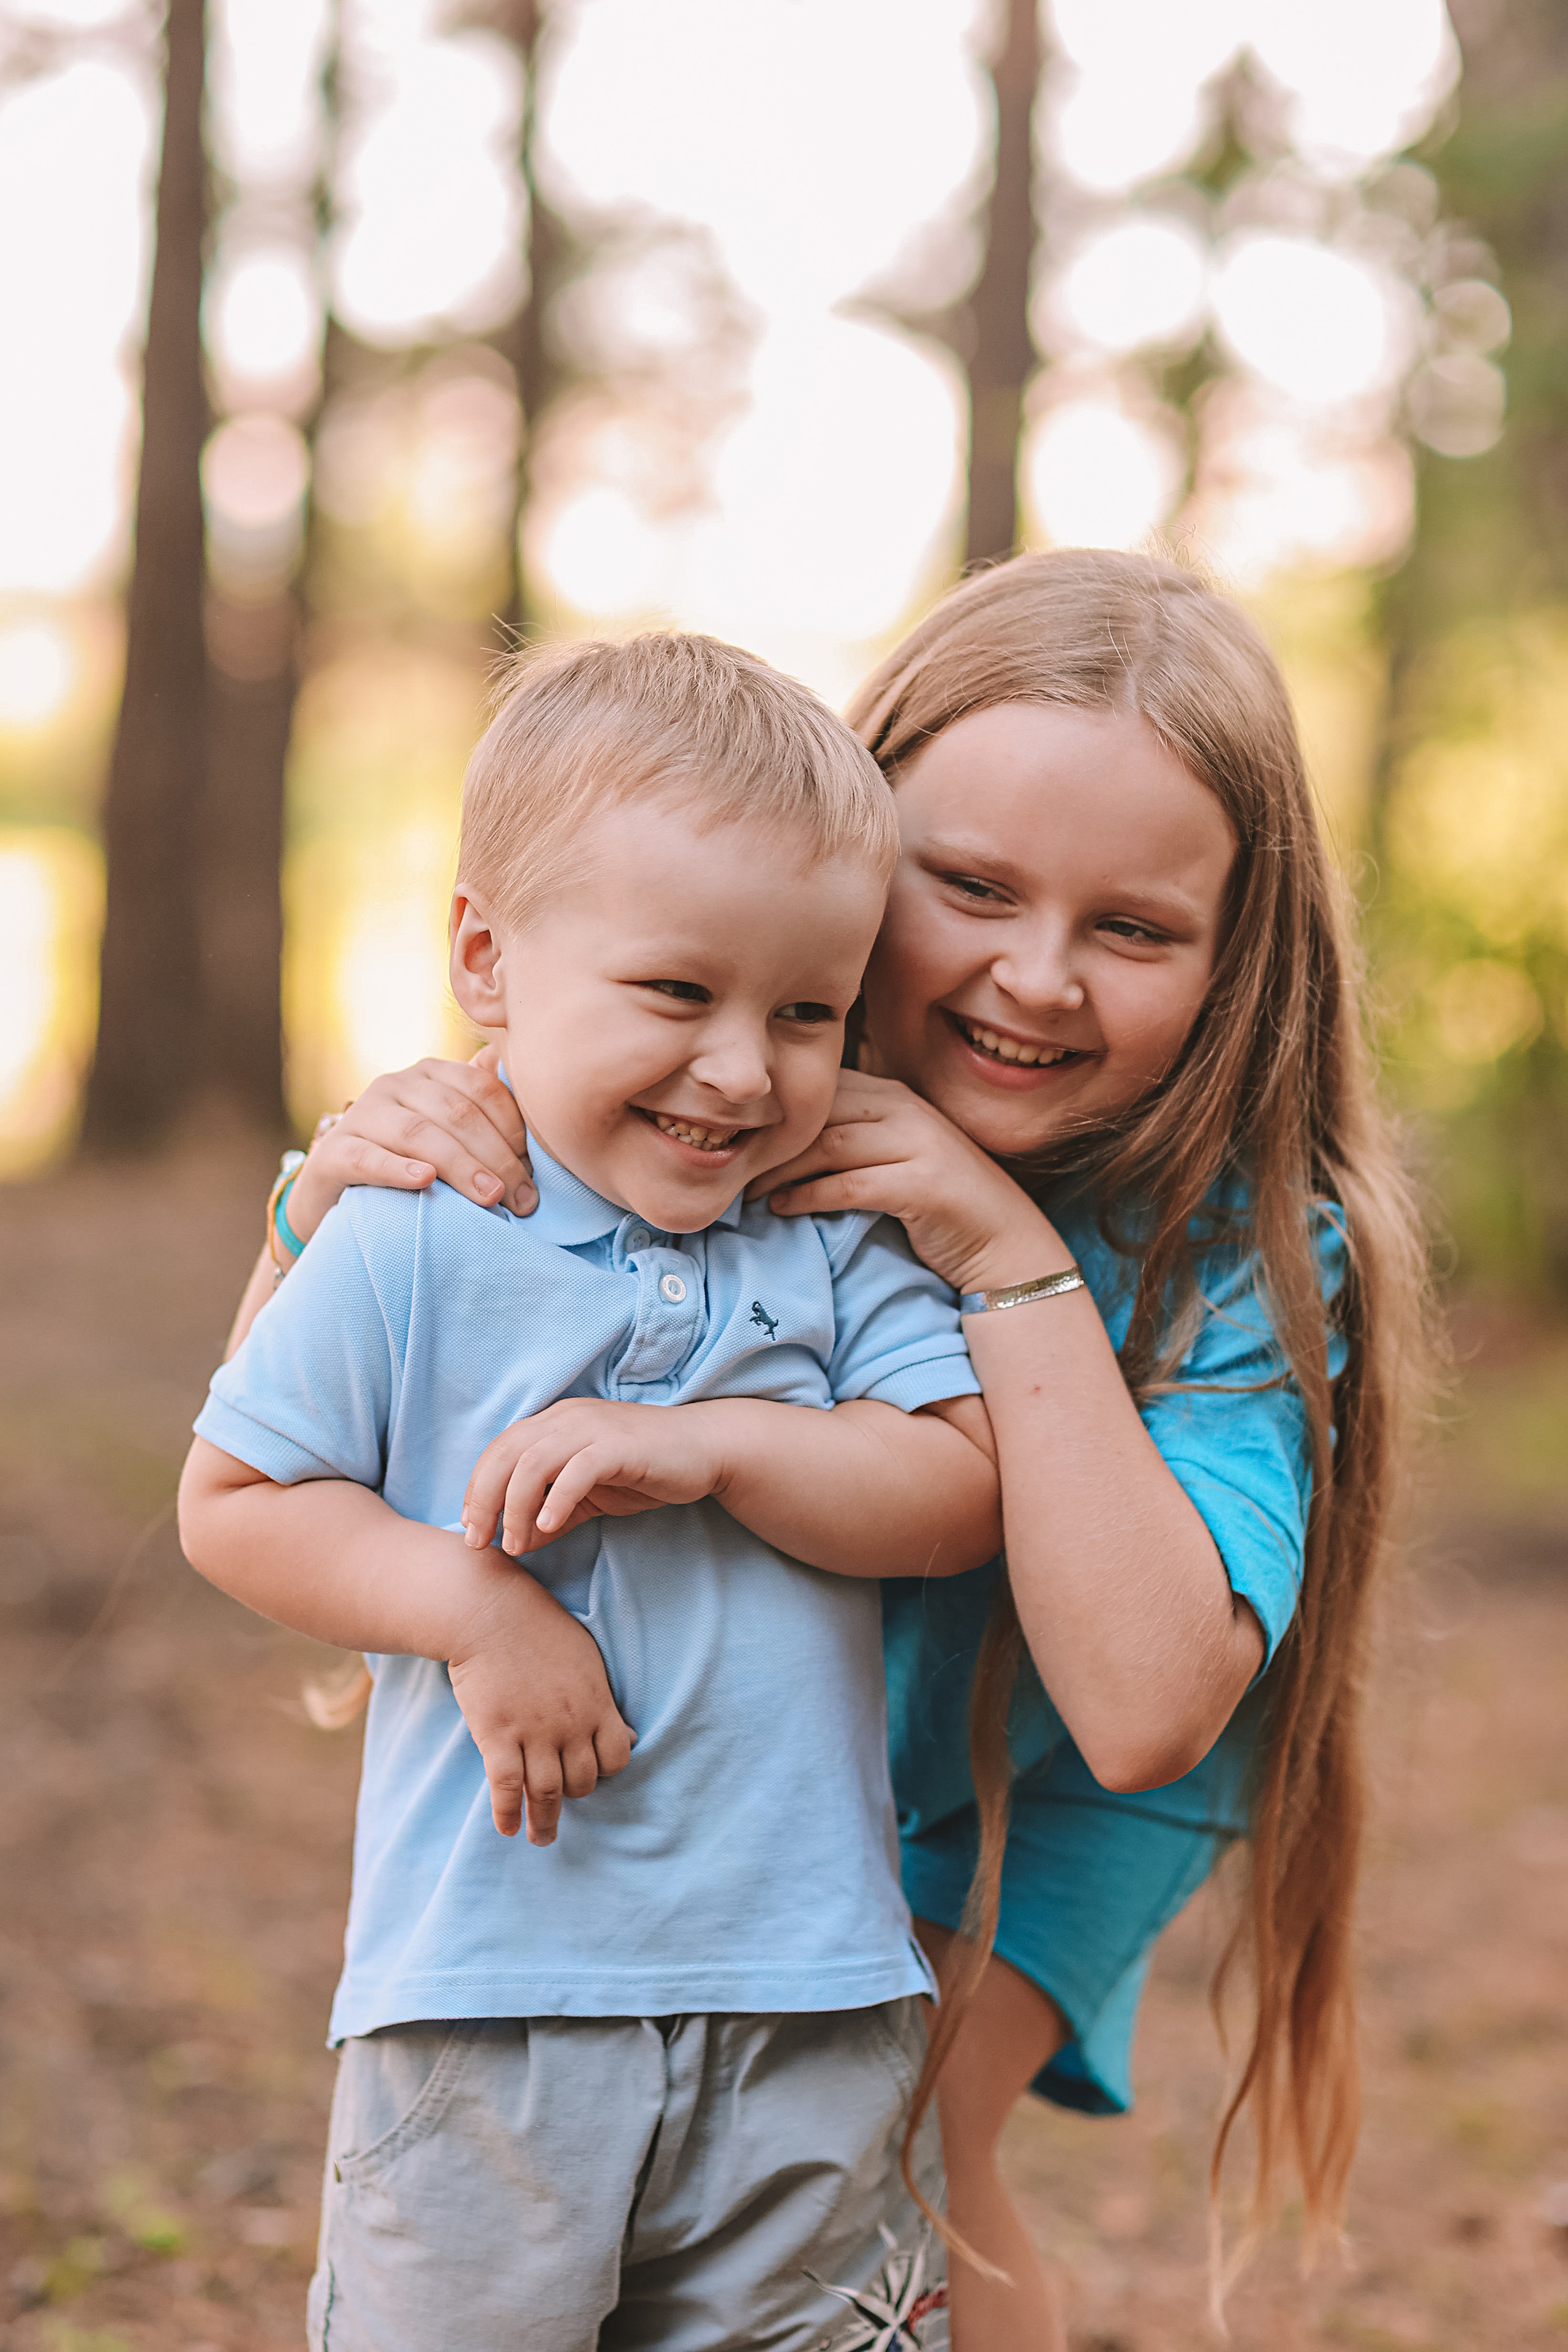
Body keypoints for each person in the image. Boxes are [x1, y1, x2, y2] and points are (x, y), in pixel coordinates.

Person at [228, 552, 1427, 2351]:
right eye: (970, 887)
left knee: (911, 2137)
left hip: (1066, 1722)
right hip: (763, 1719)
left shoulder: (1233, 1246)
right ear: (852, 854)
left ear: (1235, 953)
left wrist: (1003, 1254)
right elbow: (271, 1439)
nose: (1038, 976)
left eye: (1134, 928)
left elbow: (1140, 1701)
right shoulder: (696, 1074)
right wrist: (326, 1190)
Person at [179, 633, 1005, 2352]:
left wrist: (716, 1445)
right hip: (490, 1998)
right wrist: (476, 1613)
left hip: (810, 1992)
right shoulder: (415, 1229)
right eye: (675, 993)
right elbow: (240, 1498)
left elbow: (953, 1491)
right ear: (487, 955)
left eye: (807, 1013)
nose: (743, 1072)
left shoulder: (836, 1236)